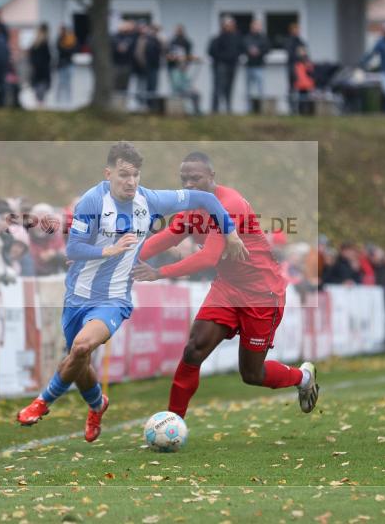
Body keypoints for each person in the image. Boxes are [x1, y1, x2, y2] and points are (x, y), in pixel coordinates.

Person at [16, 141, 249, 442]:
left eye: (135, 175)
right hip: (77, 297)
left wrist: (229, 231)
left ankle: (41, 403)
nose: (131, 182)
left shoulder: (149, 200)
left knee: (81, 349)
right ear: (108, 173)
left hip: (114, 299)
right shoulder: (91, 202)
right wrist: (110, 249)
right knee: (79, 359)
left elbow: (205, 198)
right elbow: (73, 248)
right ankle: (97, 404)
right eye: (124, 174)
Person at [134, 152, 318, 420]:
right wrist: (120, 258)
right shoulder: (193, 209)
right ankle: (172, 421)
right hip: (228, 288)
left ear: (212, 177)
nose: (188, 185)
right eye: (183, 179)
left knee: (252, 374)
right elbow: (164, 239)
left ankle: (303, 377)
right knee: (194, 348)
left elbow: (208, 257)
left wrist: (159, 273)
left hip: (262, 294)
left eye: (195, 178)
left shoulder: (229, 204)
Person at [208, 16, 243, 113]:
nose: (229, 27)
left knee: (229, 87)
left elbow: (241, 49)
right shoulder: (217, 38)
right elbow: (211, 51)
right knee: (218, 88)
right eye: (227, 25)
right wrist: (224, 57)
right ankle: (215, 110)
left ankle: (228, 108)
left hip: (233, 66)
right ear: (223, 26)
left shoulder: (237, 38)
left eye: (231, 25)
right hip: (221, 66)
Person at [243, 19, 269, 112]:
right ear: (251, 27)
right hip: (249, 65)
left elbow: (267, 49)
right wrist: (249, 51)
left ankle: (261, 109)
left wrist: (259, 51)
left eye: (258, 26)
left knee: (260, 88)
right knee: (248, 89)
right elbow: (243, 47)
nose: (256, 27)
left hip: (259, 66)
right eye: (254, 26)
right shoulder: (247, 37)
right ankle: (248, 109)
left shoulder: (263, 38)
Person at [29, 23, 52, 107]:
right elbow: (48, 57)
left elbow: (31, 55)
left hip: (36, 69)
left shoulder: (35, 43)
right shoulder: (44, 43)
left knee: (38, 88)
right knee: (41, 88)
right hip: (42, 69)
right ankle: (40, 103)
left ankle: (39, 103)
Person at [55, 25, 77, 107]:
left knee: (68, 83)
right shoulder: (59, 40)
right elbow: (61, 49)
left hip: (69, 64)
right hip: (61, 64)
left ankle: (68, 100)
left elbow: (73, 49)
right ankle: (58, 100)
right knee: (61, 83)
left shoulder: (71, 39)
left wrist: (67, 48)